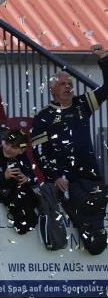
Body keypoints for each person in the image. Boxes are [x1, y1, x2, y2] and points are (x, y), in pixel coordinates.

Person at [31, 44, 108, 255]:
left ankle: (96, 241)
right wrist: (54, 176)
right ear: (52, 89)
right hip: (67, 181)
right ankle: (91, 241)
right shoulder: (43, 117)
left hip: (91, 177)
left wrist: (103, 59)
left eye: (70, 84)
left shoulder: (82, 105)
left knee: (98, 211)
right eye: (63, 84)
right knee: (83, 215)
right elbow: (39, 153)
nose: (68, 87)